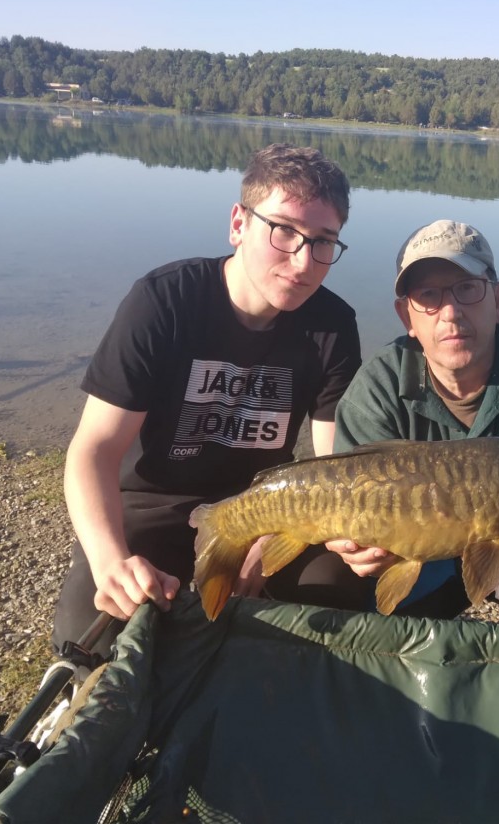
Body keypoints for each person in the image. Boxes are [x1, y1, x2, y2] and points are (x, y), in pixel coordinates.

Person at [51, 143, 367, 662]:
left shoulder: (332, 326)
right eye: (284, 230)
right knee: (91, 631)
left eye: (324, 241)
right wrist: (111, 562)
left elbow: (333, 469)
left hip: (267, 505)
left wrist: (271, 538)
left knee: (337, 589)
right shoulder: (165, 301)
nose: (304, 260)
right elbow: (94, 451)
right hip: (153, 506)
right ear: (239, 223)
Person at [328, 219, 499, 629]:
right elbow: (341, 499)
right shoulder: (378, 384)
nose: (451, 313)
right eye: (429, 296)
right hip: (415, 552)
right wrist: (351, 546)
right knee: (325, 584)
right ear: (407, 315)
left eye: (468, 289)